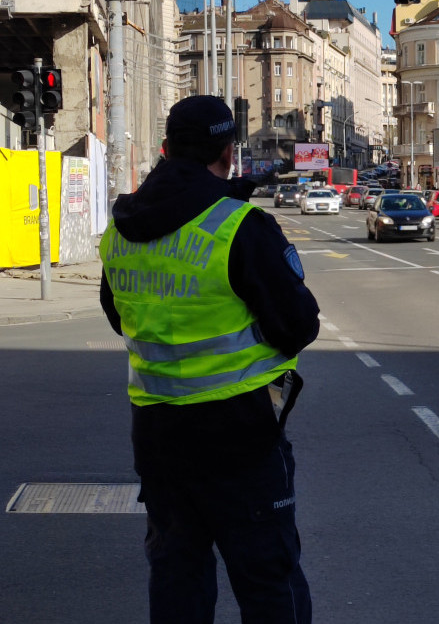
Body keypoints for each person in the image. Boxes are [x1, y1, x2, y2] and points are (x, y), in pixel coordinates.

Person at [99, 95, 320, 624]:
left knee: (177, 578)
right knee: (268, 581)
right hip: (239, 434)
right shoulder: (239, 225)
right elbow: (298, 326)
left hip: (157, 436)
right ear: (227, 152)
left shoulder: (121, 229)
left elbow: (119, 316)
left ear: (165, 148)